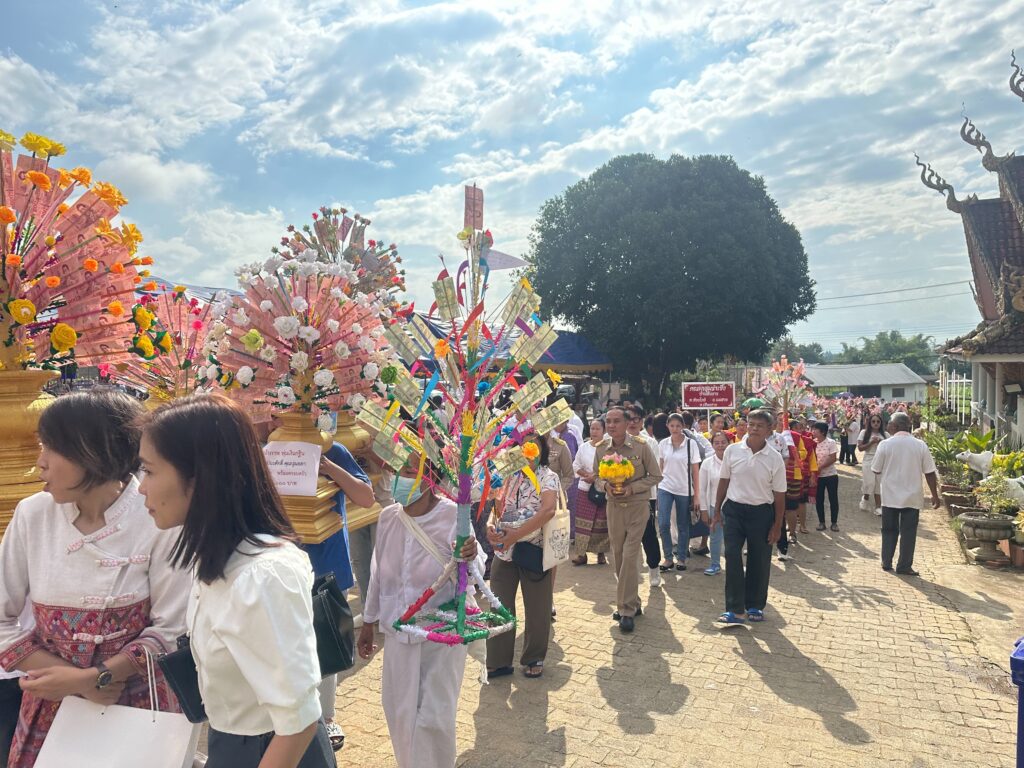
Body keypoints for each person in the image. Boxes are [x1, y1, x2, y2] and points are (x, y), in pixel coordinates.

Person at [139, 394, 333, 768]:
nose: (141, 487)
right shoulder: (216, 559)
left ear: (198, 477)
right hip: (232, 744)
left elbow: (299, 720)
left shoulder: (261, 576)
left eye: (149, 471)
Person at [0, 389, 189, 768]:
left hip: (137, 703)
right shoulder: (33, 515)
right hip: (52, 702)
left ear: (96, 453)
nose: (40, 462)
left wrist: (101, 677)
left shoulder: (156, 515)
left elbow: (171, 627)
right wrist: (80, 681)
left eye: (53, 448)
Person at [357, 453, 480, 767]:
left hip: (440, 635)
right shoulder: (388, 517)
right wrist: (369, 621)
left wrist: (470, 552)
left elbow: (473, 572)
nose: (401, 476)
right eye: (399, 469)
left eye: (411, 470)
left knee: (434, 718)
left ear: (430, 478)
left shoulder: (454, 516)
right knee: (399, 712)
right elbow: (377, 572)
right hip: (398, 633)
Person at [487, 434, 558, 678]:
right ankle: (498, 660)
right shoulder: (508, 476)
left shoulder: (547, 477)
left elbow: (548, 510)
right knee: (499, 604)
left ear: (542, 451)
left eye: (533, 446)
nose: (527, 451)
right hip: (504, 550)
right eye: (522, 446)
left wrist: (517, 534)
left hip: (533, 549)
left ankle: (533, 657)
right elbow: (496, 508)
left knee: (538, 608)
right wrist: (490, 525)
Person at [713, 409, 786, 626]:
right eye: (751, 424)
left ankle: (755, 605)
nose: (754, 429)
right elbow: (724, 481)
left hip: (761, 513)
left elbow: (779, 495)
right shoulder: (732, 450)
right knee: (732, 556)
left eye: (759, 426)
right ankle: (735, 609)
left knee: (759, 559)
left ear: (769, 429)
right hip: (734, 511)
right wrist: (716, 510)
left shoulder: (774, 458)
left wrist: (777, 526)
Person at [594, 408, 663, 632]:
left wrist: (633, 488)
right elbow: (596, 477)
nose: (611, 425)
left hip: (637, 507)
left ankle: (625, 609)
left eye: (616, 421)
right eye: (608, 421)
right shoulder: (601, 449)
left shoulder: (641, 446)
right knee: (618, 556)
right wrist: (606, 486)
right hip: (614, 508)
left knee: (630, 555)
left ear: (626, 424)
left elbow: (656, 475)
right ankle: (634, 601)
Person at [871, 412, 941, 576]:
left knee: (889, 530)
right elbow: (929, 472)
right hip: (912, 496)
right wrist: (934, 495)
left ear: (895, 426)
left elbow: (876, 469)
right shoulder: (920, 445)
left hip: (890, 496)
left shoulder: (885, 445)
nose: (887, 425)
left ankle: (886, 561)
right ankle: (904, 566)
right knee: (908, 532)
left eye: (889, 423)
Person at [656, 414, 702, 572]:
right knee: (663, 523)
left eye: (678, 426)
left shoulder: (691, 444)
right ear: (667, 426)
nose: (675, 429)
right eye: (672, 426)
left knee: (683, 524)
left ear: (683, 426)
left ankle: (681, 558)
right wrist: (657, 489)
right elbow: (661, 467)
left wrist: (697, 495)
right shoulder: (663, 443)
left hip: (684, 488)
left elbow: (695, 471)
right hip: (665, 487)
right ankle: (668, 557)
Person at [626, 406, 664, 588]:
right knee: (625, 536)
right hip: (622, 496)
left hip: (645, 496)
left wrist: (635, 485)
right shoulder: (615, 441)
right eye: (629, 419)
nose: (632, 422)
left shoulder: (650, 442)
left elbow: (654, 471)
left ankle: (654, 567)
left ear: (642, 421)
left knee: (648, 535)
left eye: (636, 419)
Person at [572, 418, 610, 566]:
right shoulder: (584, 447)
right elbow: (576, 465)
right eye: (592, 428)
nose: (594, 431)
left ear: (604, 431)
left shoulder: (608, 448)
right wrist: (586, 475)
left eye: (597, 429)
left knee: (600, 522)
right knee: (583, 522)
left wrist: (595, 477)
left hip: (601, 488)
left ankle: (601, 553)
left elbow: (611, 467)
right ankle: (582, 555)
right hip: (584, 488)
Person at [699, 431, 730, 575]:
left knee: (733, 539)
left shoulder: (734, 461)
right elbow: (702, 488)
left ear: (729, 443)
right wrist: (704, 510)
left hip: (733, 506)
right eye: (716, 443)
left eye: (723, 442)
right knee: (715, 538)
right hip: (714, 506)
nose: (720, 445)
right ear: (712, 445)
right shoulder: (707, 463)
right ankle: (715, 564)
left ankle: (733, 566)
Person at [811, 421, 840, 531]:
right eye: (812, 429)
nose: (813, 431)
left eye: (815, 429)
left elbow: (833, 458)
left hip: (831, 475)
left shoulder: (831, 442)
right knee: (819, 499)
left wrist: (819, 467)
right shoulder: (812, 443)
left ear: (822, 432)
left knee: (833, 499)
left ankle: (834, 523)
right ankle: (821, 522)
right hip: (818, 477)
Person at [857, 412, 887, 517]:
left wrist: (881, 442)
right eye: (873, 421)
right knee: (869, 482)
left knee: (879, 483)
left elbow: (889, 448)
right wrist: (871, 442)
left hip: (881, 460)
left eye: (878, 421)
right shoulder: (864, 433)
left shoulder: (885, 435)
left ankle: (878, 507)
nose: (876, 423)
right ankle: (865, 498)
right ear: (870, 423)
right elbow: (860, 448)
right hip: (868, 459)